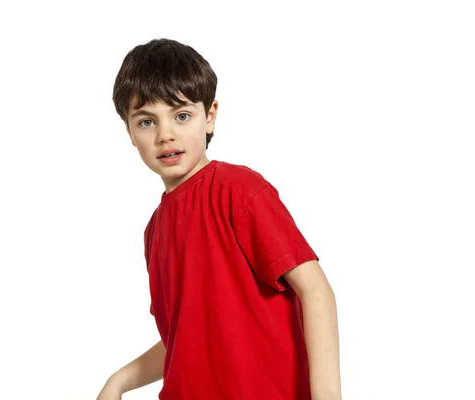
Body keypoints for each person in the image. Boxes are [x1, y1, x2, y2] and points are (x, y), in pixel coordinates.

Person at [97, 38, 341, 400]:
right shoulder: (154, 231)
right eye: (147, 121)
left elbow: (315, 289)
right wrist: (119, 381)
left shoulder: (237, 190)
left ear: (209, 116)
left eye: (181, 116)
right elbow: (182, 339)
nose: (166, 135)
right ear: (130, 133)